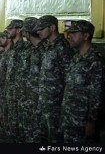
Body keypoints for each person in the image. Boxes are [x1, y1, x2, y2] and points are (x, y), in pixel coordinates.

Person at [61, 20, 105, 143]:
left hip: (82, 123)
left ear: (86, 36)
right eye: (68, 33)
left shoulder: (95, 61)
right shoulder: (76, 58)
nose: (69, 36)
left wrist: (91, 122)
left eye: (74, 33)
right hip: (70, 119)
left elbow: (97, 95)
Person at [34, 15, 74, 143]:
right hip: (45, 101)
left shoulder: (62, 47)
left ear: (52, 27)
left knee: (55, 137)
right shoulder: (48, 46)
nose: (38, 32)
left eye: (41, 28)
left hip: (56, 103)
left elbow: (69, 76)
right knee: (43, 136)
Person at [17, 17, 45, 143]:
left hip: (38, 98)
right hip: (27, 95)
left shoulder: (44, 49)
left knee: (37, 131)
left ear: (27, 33)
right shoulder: (30, 48)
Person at [4, 19, 26, 142]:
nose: (7, 30)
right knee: (11, 119)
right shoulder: (13, 47)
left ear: (18, 30)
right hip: (10, 90)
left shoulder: (23, 47)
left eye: (10, 29)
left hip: (18, 92)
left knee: (18, 121)